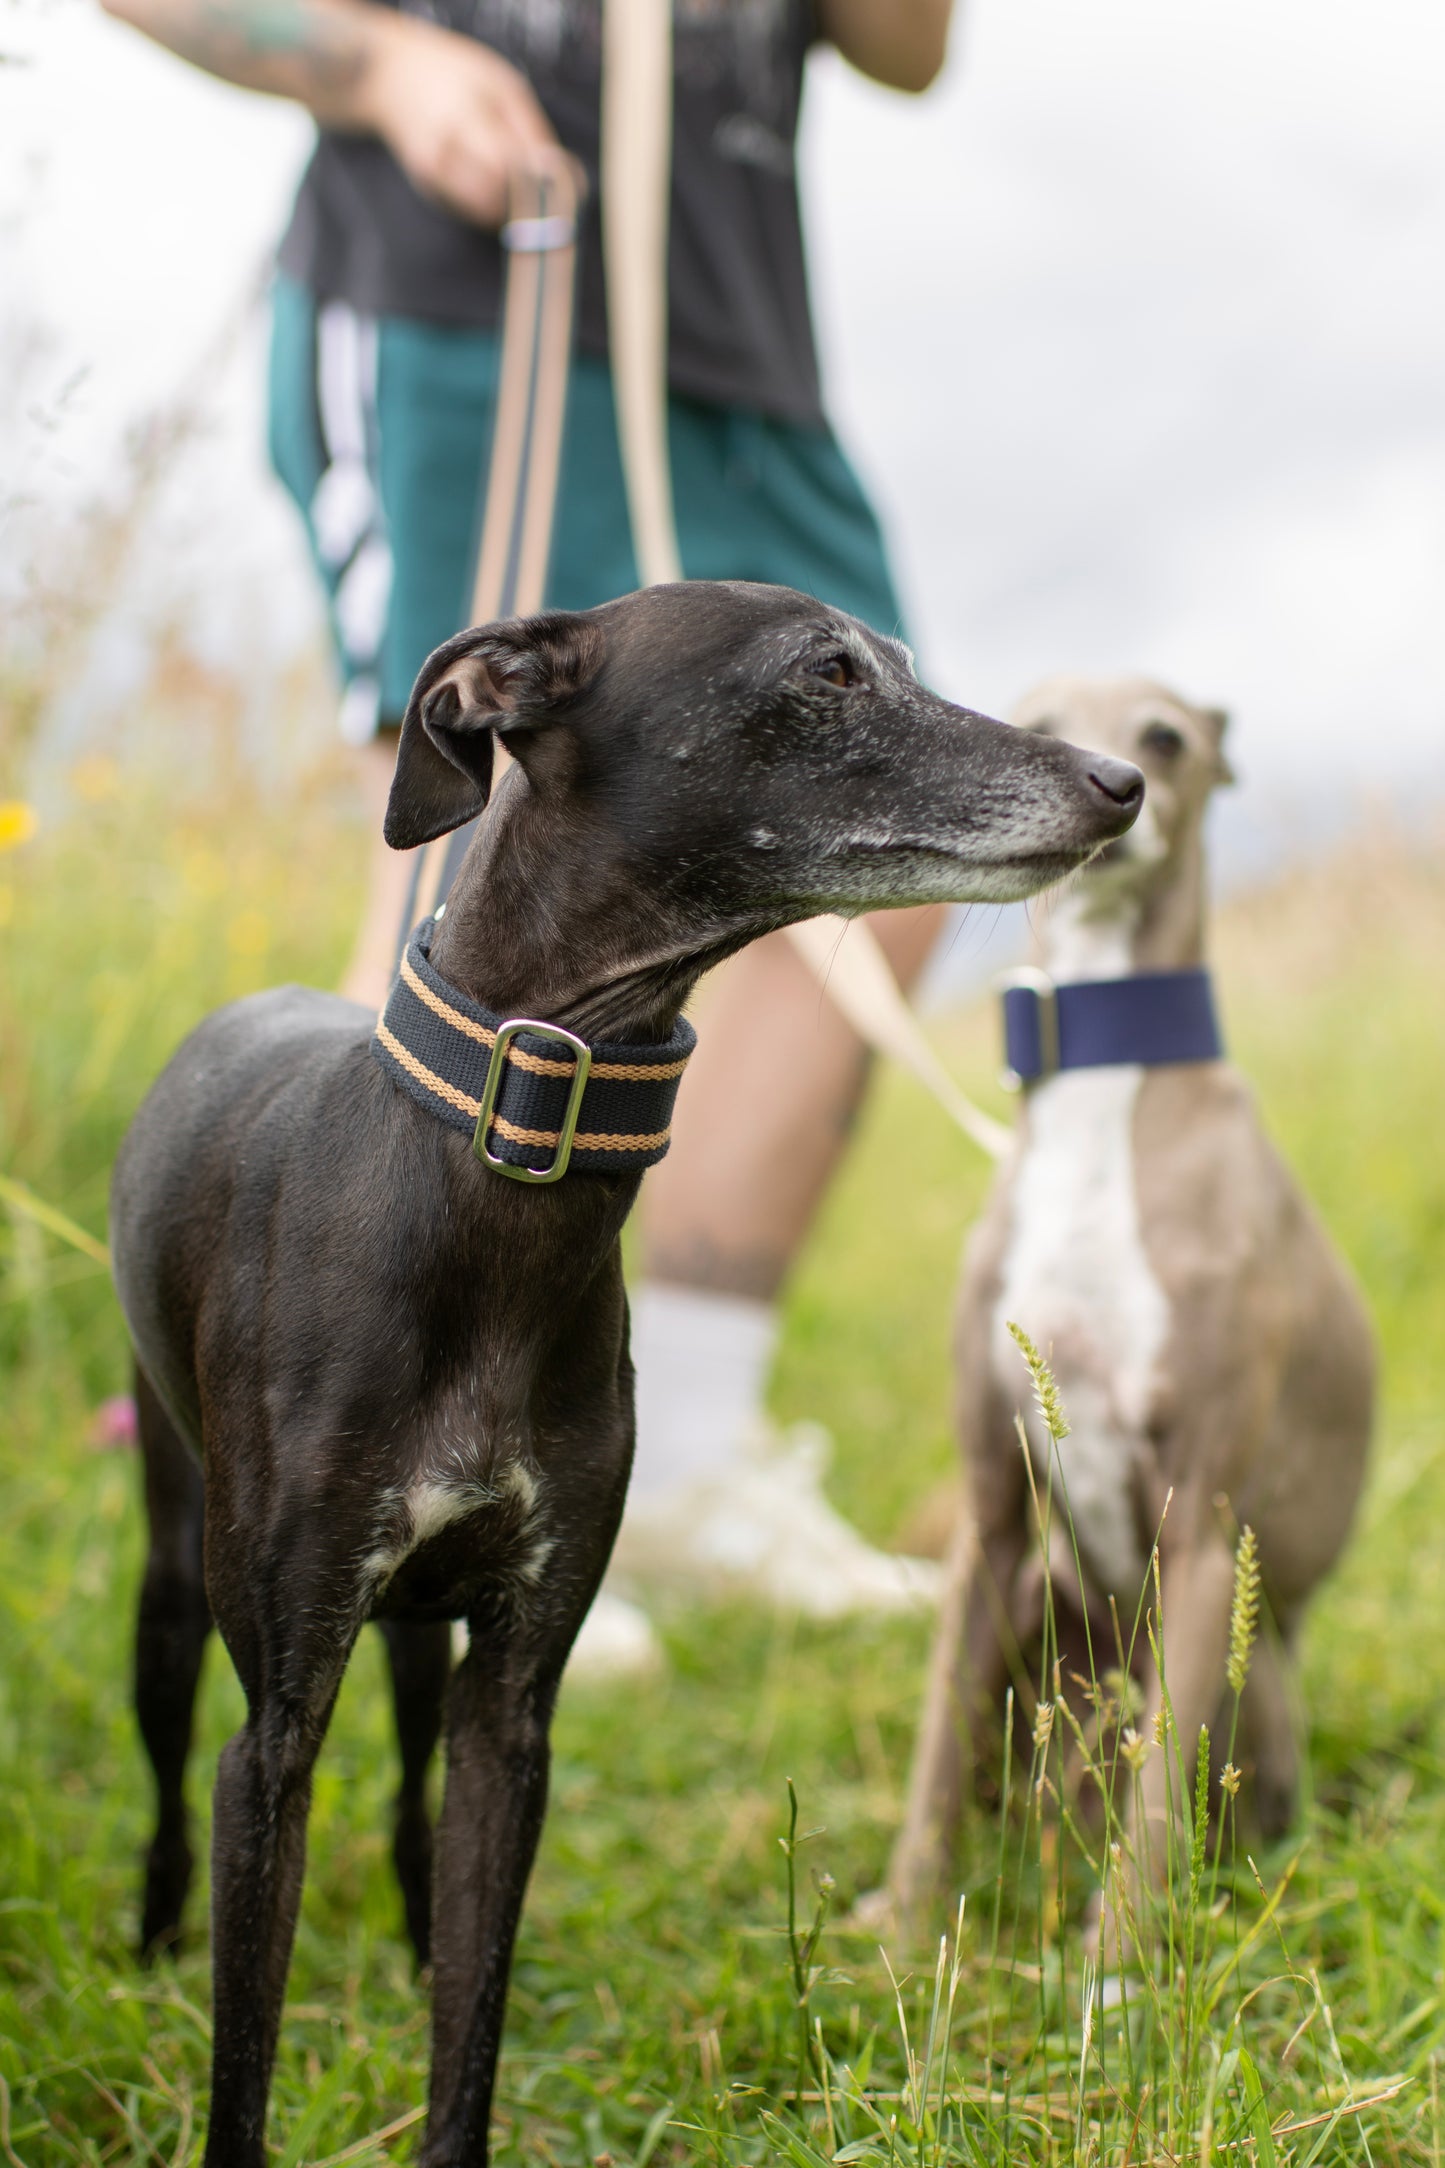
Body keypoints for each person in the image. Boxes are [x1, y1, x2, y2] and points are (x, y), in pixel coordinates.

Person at [100, 0, 956, 1642]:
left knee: (890, 844)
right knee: (465, 862)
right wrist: (382, 64)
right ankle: (385, 1449)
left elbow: (906, 46)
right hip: (464, 298)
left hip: (736, 347)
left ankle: (683, 1451)